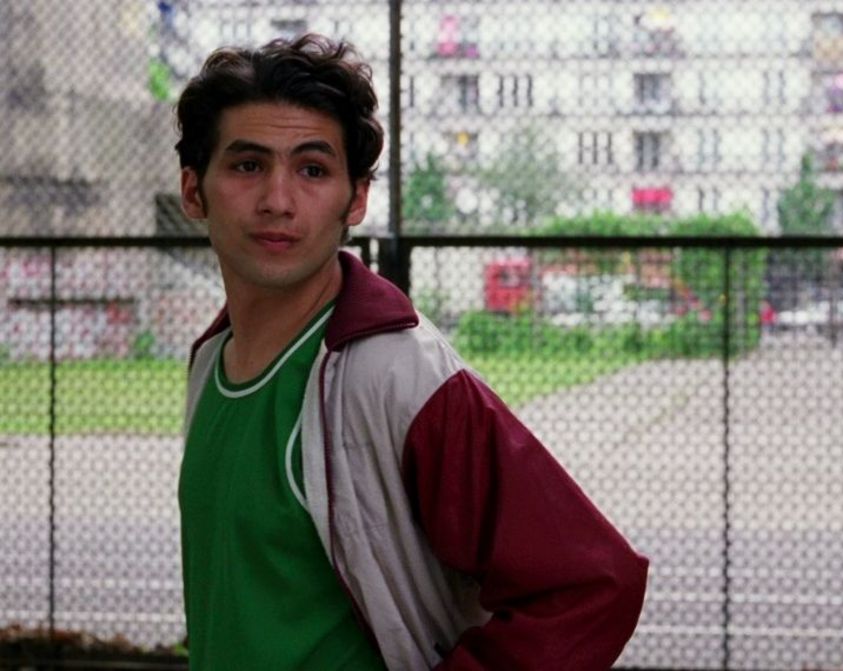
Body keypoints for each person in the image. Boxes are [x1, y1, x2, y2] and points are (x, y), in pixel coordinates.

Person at [175, 34, 649, 670]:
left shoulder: (395, 372)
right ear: (193, 190)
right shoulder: (212, 361)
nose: (278, 200)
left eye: (313, 169)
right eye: (247, 165)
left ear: (358, 200)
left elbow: (591, 583)